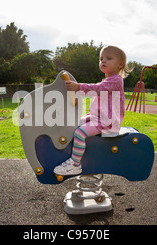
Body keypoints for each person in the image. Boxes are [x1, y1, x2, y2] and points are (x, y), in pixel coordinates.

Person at [53, 45, 132, 176]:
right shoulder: (107, 80)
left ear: (120, 64)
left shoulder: (116, 81)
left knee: (79, 133)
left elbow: (97, 88)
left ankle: (75, 164)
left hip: (106, 121)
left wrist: (78, 87)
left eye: (108, 58)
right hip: (97, 117)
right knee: (76, 123)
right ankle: (76, 152)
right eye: (101, 59)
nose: (103, 61)